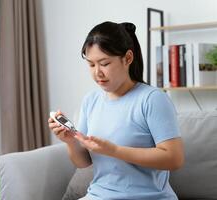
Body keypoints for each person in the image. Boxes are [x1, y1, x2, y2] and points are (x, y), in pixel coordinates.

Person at [48, 21, 184, 200]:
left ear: (128, 58)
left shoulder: (152, 99)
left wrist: (114, 150)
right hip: (98, 196)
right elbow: (83, 162)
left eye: (104, 63)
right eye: (91, 65)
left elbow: (174, 159)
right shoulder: (91, 100)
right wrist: (70, 142)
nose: (97, 73)